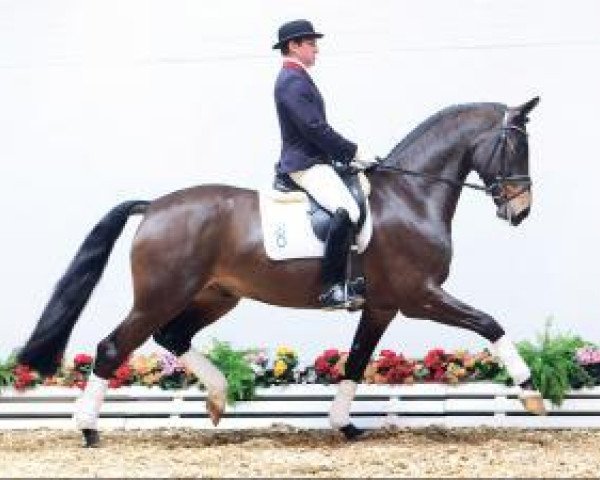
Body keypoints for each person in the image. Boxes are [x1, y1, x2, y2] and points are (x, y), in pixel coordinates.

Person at [272, 19, 378, 309]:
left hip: (316, 159)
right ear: (294, 46)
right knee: (348, 209)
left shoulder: (298, 77)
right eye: (311, 43)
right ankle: (332, 287)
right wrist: (352, 151)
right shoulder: (291, 81)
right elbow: (314, 128)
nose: (316, 50)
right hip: (305, 164)